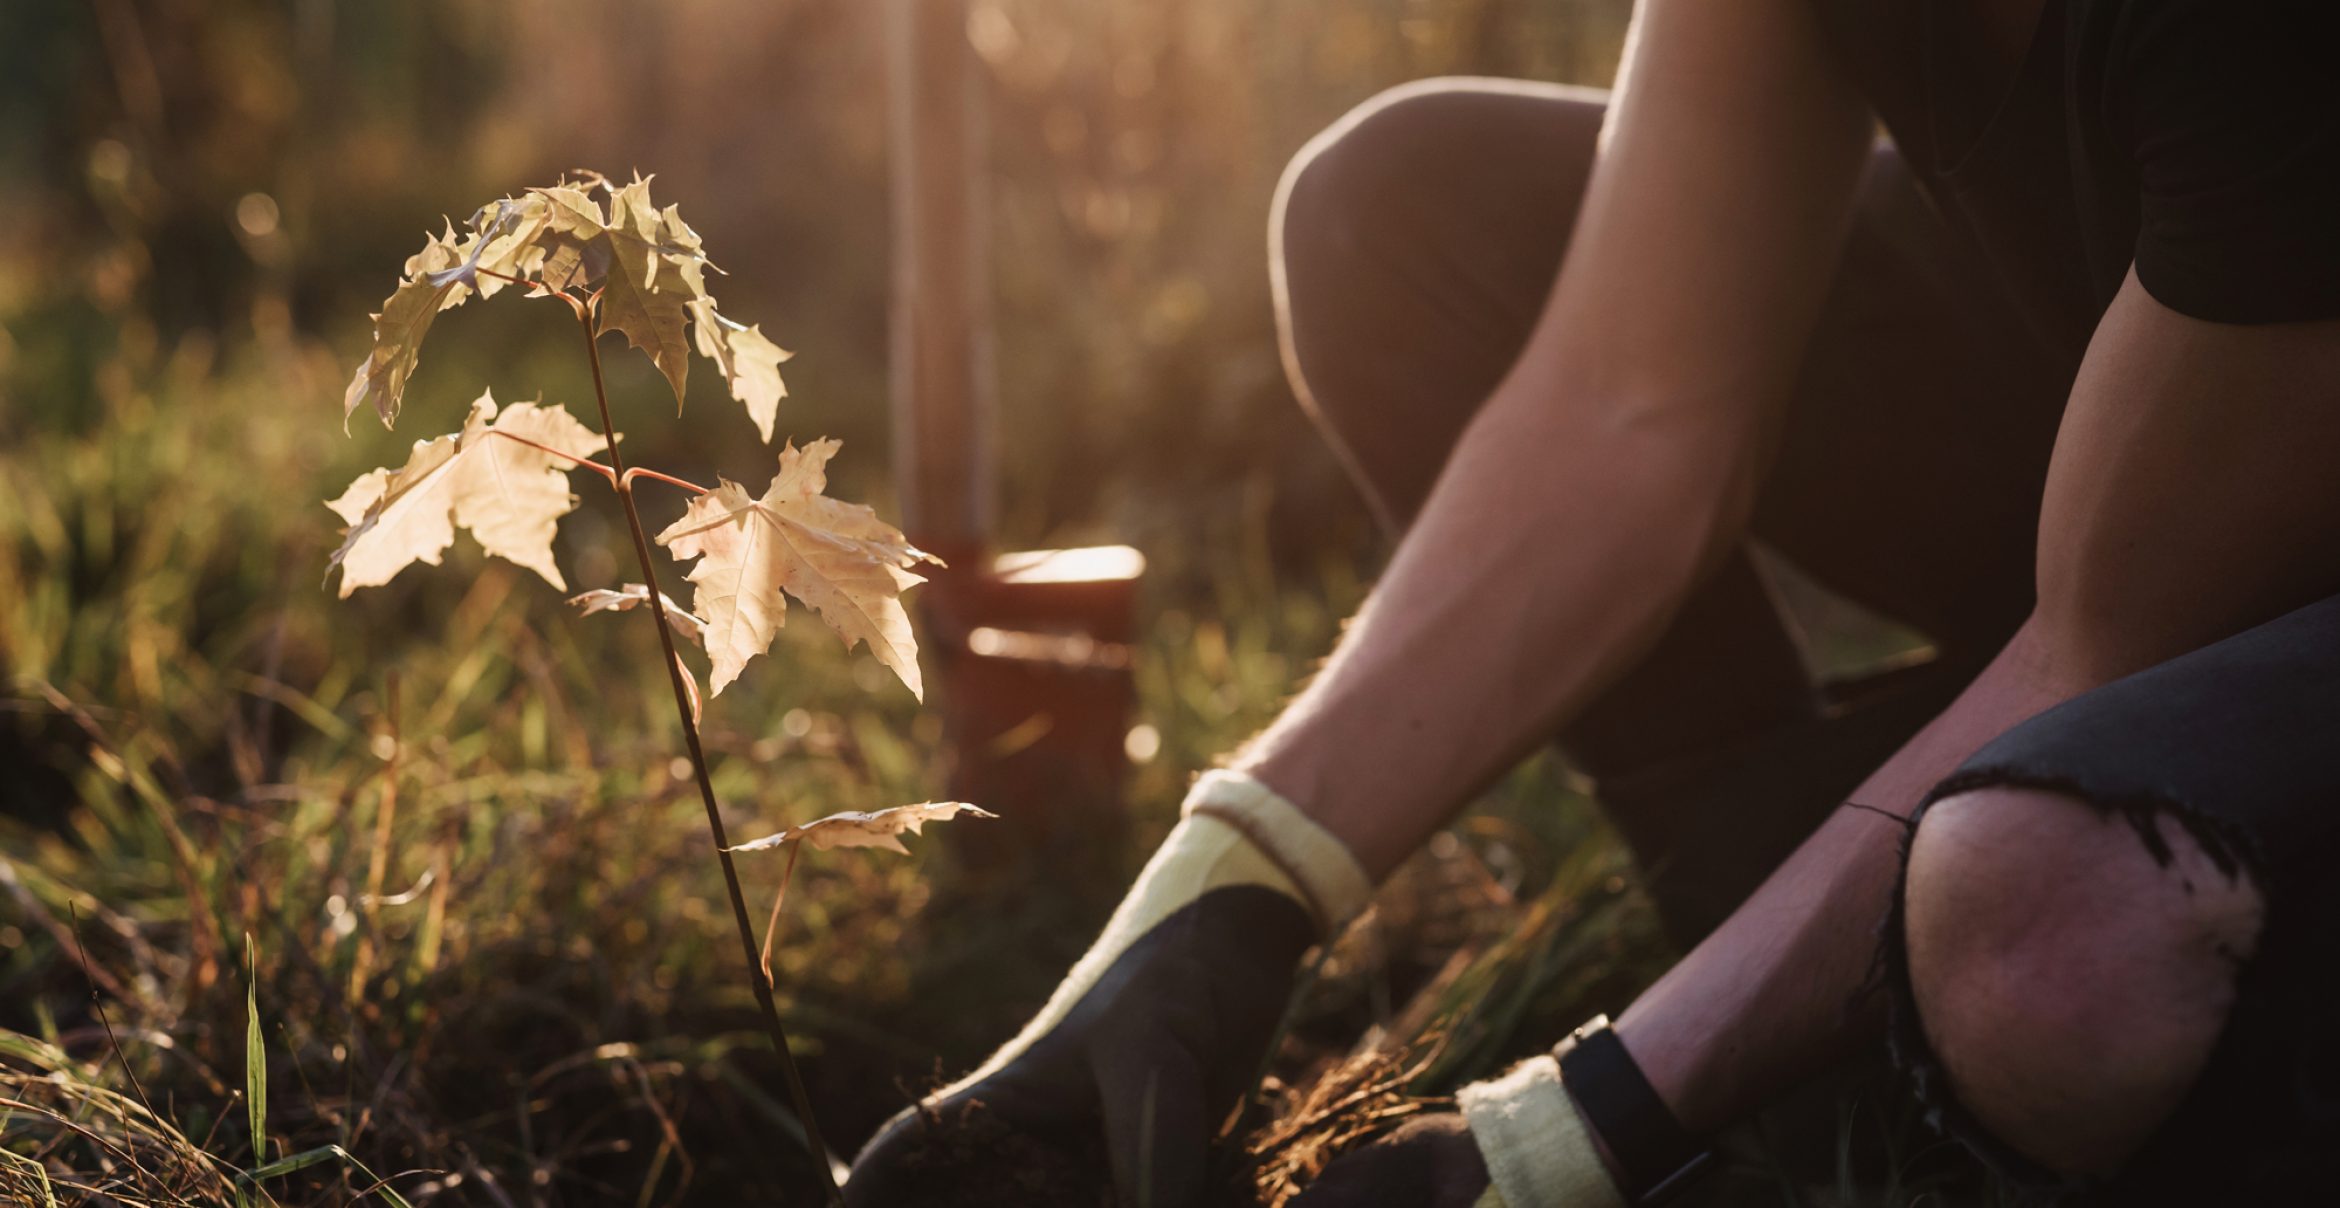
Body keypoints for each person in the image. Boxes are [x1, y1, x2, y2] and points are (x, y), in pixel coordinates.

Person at [848, 0, 2340, 1203]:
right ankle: (1809, 986)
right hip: (2124, 400)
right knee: (1393, 215)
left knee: (2041, 929)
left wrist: (1569, 1135)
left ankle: (1876, 987)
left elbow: (2109, 636)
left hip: (2246, 568)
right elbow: (1635, 410)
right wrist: (1224, 898)